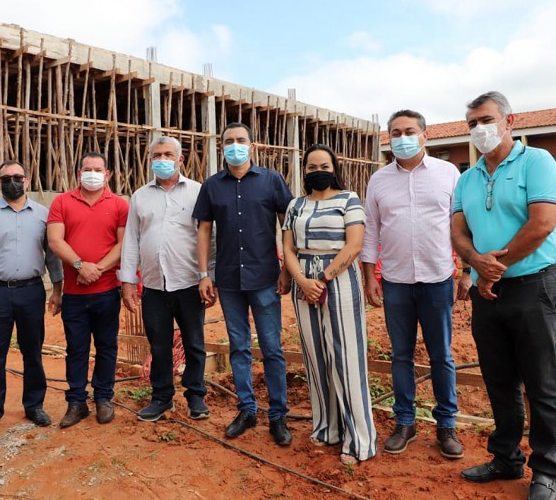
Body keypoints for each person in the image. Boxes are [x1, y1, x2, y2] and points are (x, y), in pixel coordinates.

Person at [451, 91, 556, 500]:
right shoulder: (466, 178)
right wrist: (475, 264)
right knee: (498, 379)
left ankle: (545, 469)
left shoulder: (537, 162)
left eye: (486, 120)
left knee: (540, 381)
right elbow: (458, 232)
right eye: (472, 123)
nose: (479, 129)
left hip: (534, 285)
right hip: (487, 293)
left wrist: (492, 269)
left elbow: (542, 223)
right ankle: (505, 457)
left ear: (509, 121)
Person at [360, 109, 466, 459]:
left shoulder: (448, 173)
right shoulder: (378, 180)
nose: (402, 138)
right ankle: (405, 422)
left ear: (425, 135)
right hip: (396, 282)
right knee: (401, 355)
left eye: (409, 131)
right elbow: (371, 230)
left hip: (438, 280)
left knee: (442, 356)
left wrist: (467, 269)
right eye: (395, 132)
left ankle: (446, 425)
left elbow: (460, 225)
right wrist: (369, 277)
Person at [193, 122, 294, 446]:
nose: (234, 145)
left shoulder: (271, 180)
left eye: (240, 140)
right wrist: (204, 274)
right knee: (238, 347)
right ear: (221, 147)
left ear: (252, 146)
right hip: (229, 280)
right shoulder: (212, 186)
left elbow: (287, 224)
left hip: (265, 277)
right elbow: (204, 230)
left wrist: (286, 268)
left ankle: (278, 415)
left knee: (272, 348)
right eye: (228, 141)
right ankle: (247, 410)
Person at [282, 144, 377, 465]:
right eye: (312, 167)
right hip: (303, 283)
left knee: (346, 357)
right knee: (316, 357)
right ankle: (327, 428)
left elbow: (355, 245)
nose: (318, 171)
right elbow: (288, 248)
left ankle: (359, 439)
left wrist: (322, 279)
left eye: (324, 166)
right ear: (304, 171)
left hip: (339, 280)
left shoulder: (349, 199)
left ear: (334, 168)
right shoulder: (295, 205)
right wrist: (302, 280)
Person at [0, 160, 64, 437]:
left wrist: (57, 290)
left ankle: (34, 405)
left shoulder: (43, 215)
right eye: (6, 178)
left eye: (18, 177)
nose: (13, 182)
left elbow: (53, 256)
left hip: (31, 291)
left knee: (32, 351)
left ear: (27, 180)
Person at [118, 136, 212, 422]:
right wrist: (127, 281)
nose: (162, 159)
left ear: (180, 159)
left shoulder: (197, 192)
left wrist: (209, 276)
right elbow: (131, 240)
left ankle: (195, 396)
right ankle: (161, 398)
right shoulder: (140, 196)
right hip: (154, 285)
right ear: (150, 160)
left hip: (189, 282)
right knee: (158, 344)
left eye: (168, 154)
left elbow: (210, 237)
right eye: (157, 155)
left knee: (194, 342)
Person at [47, 152, 129, 428]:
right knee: (76, 349)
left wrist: (96, 270)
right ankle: (76, 402)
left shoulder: (119, 205)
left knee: (107, 346)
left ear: (107, 174)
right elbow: (55, 241)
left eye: (97, 169)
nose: (92, 174)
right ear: (78, 172)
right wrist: (81, 266)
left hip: (107, 292)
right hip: (73, 294)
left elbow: (123, 245)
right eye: (87, 169)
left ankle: (104, 398)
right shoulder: (62, 202)